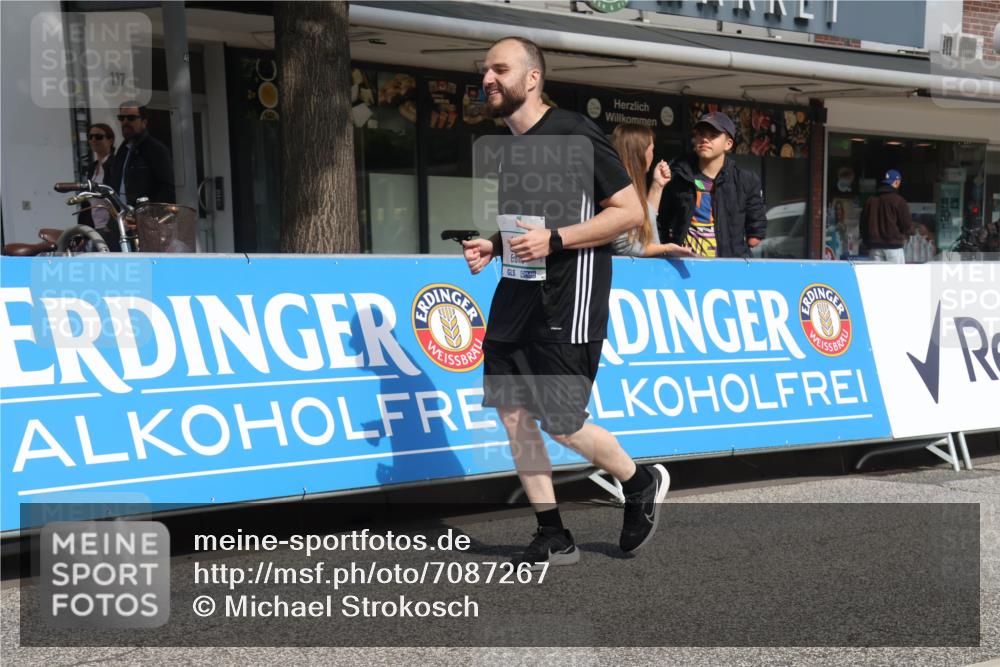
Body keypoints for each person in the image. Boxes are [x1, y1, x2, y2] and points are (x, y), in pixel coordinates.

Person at [462, 37, 670, 569]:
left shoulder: (577, 132)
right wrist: (495, 242)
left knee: (559, 421)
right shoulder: (510, 145)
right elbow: (530, 223)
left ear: (532, 78)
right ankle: (553, 533)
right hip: (515, 297)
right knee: (513, 416)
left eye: (499, 69)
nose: (488, 78)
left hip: (566, 302)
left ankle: (639, 479)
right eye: (484, 70)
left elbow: (626, 213)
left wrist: (555, 240)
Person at [657, 111, 766, 257]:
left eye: (713, 135)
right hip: (682, 267)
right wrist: (666, 251)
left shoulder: (746, 181)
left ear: (728, 144)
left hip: (728, 271)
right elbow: (660, 221)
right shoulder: (677, 175)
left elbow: (756, 233)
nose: (705, 139)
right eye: (701, 134)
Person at [609, 124, 694, 258]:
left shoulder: (627, 184)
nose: (653, 155)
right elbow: (624, 246)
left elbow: (646, 229)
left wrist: (657, 185)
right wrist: (665, 248)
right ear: (640, 152)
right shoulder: (617, 187)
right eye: (652, 149)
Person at [107, 102, 175, 206]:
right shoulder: (122, 150)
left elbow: (166, 187)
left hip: (144, 216)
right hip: (122, 216)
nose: (125, 122)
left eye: (131, 118)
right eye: (121, 118)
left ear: (144, 122)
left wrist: (150, 213)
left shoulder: (155, 148)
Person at [860, 169, 913, 263]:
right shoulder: (899, 201)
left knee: (877, 277)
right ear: (896, 182)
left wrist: (867, 242)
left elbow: (863, 224)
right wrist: (906, 235)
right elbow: (906, 225)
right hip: (894, 248)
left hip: (875, 248)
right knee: (895, 277)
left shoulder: (871, 200)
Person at [78, 123, 118, 247]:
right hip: (94, 227)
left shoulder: (115, 164)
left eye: (99, 136)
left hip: (110, 228)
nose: (94, 140)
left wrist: (111, 226)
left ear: (110, 140)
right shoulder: (92, 167)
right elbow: (87, 201)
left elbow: (117, 196)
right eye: (91, 137)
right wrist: (82, 229)